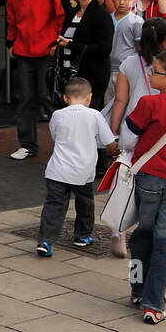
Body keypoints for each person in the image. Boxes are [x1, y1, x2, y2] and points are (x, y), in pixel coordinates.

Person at [124, 49, 166, 324]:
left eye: (155, 72)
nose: (150, 75)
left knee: (142, 236)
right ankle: (154, 304)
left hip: (148, 178)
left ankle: (138, 289)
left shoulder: (149, 103)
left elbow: (131, 134)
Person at [105, 19, 166, 258]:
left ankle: (118, 232)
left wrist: (113, 133)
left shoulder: (129, 62)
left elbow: (120, 100)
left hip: (133, 126)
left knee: (125, 177)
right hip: (164, 126)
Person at [36, 77, 116, 257]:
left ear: (65, 98)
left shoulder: (57, 115)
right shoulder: (95, 115)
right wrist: (114, 151)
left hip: (57, 170)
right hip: (83, 170)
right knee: (85, 203)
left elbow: (55, 136)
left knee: (54, 206)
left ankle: (45, 241)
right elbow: (109, 141)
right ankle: (82, 235)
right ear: (89, 97)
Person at [6, 0, 66, 160]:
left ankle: (64, 144)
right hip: (22, 51)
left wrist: (58, 43)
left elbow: (63, 13)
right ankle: (28, 145)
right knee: (25, 99)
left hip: (47, 50)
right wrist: (10, 43)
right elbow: (11, 18)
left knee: (49, 97)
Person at [58, 0, 113, 110]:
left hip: (91, 76)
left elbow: (104, 48)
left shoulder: (101, 14)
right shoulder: (72, 13)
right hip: (69, 74)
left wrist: (71, 45)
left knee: (87, 119)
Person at [109, 0, 144, 102]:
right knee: (108, 102)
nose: (122, 2)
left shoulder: (137, 21)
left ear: (132, 0)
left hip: (126, 69)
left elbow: (140, 47)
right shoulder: (106, 18)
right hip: (107, 68)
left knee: (125, 101)